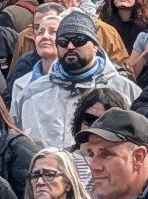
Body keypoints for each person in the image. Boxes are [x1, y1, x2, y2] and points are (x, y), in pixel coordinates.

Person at [13, 10, 139, 151]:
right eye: (63, 41)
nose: (70, 46)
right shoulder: (30, 93)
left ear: (95, 45)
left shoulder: (125, 90)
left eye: (79, 40)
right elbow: (15, 141)